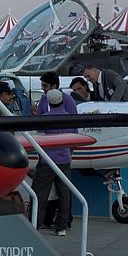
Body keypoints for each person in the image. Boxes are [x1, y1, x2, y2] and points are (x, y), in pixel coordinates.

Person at [31, 71, 78, 236]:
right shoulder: (67, 111)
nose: (42, 89)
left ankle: (34, 223)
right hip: (64, 157)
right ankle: (62, 226)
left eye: (44, 86)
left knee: (39, 193)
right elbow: (74, 130)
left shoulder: (45, 116)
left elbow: (40, 134)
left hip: (47, 159)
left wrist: (37, 117)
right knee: (64, 193)